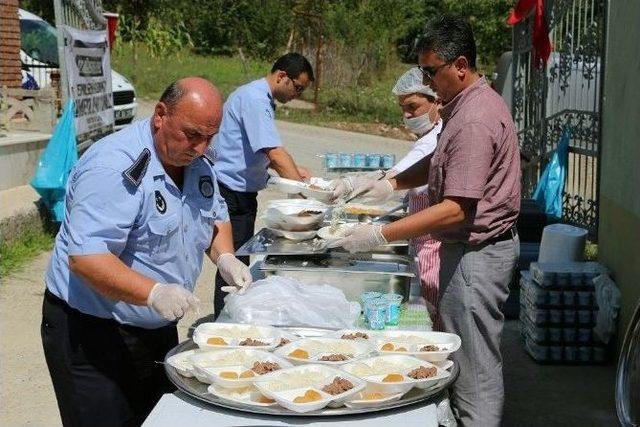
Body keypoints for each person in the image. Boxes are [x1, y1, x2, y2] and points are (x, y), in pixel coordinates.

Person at [331, 15, 521, 426]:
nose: (428, 82)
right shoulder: (464, 104)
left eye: (432, 72)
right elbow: (440, 164)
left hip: (477, 253)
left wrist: (378, 234)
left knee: (474, 369)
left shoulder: (473, 119)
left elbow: (456, 207)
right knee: (464, 356)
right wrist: (389, 183)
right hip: (468, 248)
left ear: (460, 65)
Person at [41, 77, 252, 427]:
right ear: (160, 115)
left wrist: (226, 257)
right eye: (192, 135)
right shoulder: (113, 166)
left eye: (209, 138)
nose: (200, 148)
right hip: (93, 332)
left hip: (154, 327)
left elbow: (216, 217)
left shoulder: (196, 163)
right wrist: (154, 292)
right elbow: (85, 258)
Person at [212, 52, 314, 317]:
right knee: (233, 265)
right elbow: (275, 152)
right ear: (282, 76)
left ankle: (230, 317)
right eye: (298, 88)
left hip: (240, 189)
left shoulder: (258, 97)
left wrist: (293, 172)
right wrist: (306, 197)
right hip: (231, 192)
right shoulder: (255, 99)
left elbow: (249, 149)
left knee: (238, 261)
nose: (297, 95)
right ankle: (225, 323)